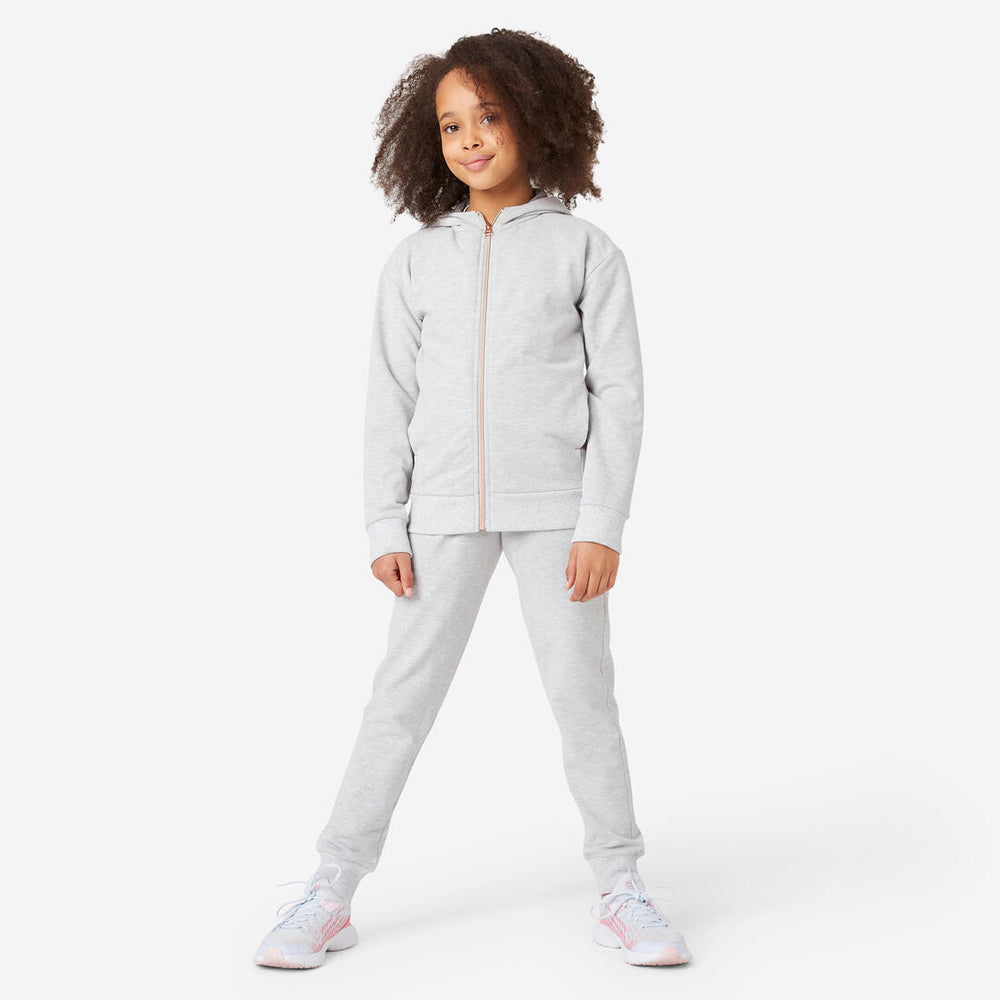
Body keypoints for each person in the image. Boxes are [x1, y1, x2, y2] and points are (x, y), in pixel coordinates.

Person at [254, 27, 692, 969]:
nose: (470, 139)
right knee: (398, 700)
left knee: (582, 696)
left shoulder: (586, 252)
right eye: (452, 125)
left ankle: (621, 885)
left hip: (558, 513)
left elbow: (620, 397)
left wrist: (601, 522)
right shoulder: (414, 263)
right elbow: (388, 398)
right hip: (441, 513)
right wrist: (385, 519)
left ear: (537, 119)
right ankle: (331, 887)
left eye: (489, 117)